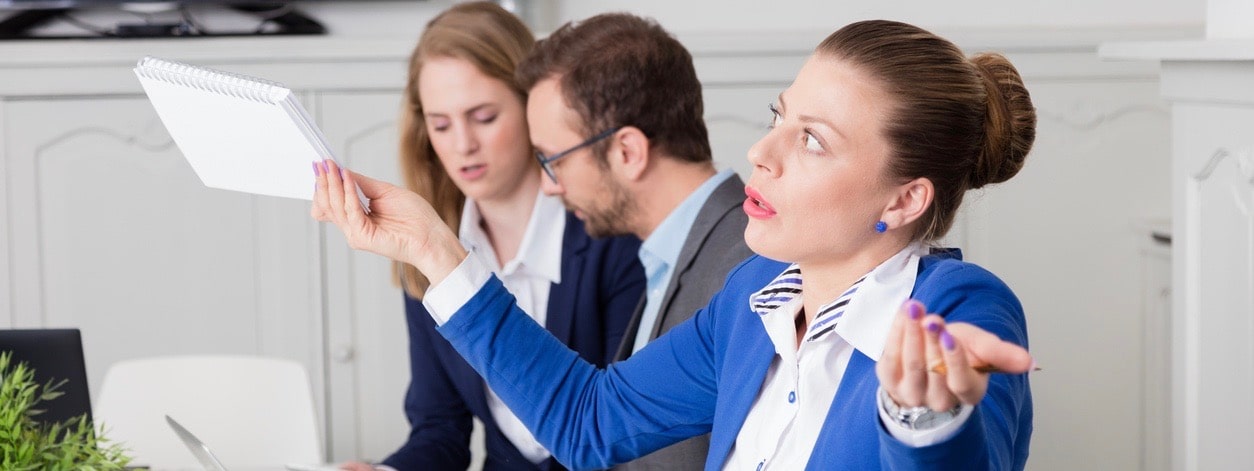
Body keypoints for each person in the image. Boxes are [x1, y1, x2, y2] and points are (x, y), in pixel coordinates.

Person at [315, 17, 1037, 471]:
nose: (761, 151)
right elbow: (588, 420)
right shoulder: (751, 301)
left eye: (812, 140)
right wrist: (435, 247)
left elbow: (955, 442)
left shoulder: (958, 307)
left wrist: (927, 421)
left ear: (904, 199)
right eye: (778, 118)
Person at [338, 4, 645, 471]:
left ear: (532, 108)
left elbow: (628, 430)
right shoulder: (425, 249)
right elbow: (441, 430)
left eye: (483, 117)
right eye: (441, 125)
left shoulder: (612, 238)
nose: (462, 145)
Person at [517, 14, 753, 470]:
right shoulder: (669, 255)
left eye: (553, 161)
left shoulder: (744, 266)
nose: (549, 186)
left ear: (627, 151)